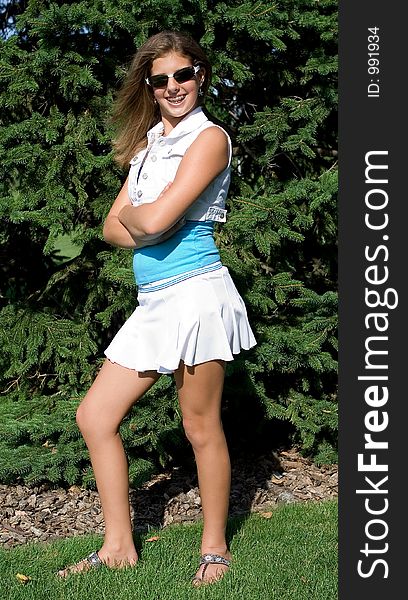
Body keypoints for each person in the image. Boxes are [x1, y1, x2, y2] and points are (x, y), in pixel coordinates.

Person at [57, 30, 256, 586]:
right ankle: (118, 546)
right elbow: (111, 228)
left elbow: (148, 220)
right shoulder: (147, 149)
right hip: (153, 303)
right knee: (94, 417)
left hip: (196, 296)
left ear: (201, 75)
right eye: (161, 78)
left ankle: (214, 548)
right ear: (149, 85)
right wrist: (148, 218)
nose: (174, 87)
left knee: (199, 426)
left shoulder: (210, 139)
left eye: (184, 75)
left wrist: (145, 218)